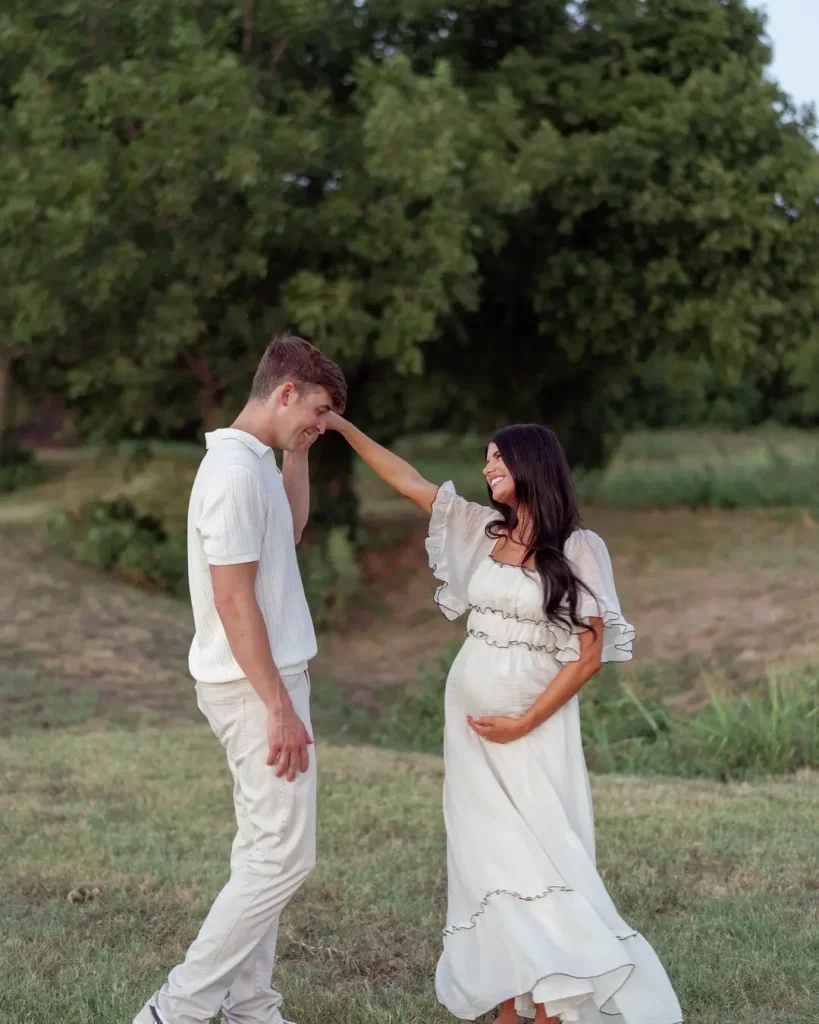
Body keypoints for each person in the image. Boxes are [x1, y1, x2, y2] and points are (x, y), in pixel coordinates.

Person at [326, 415, 683, 1024]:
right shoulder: (480, 529)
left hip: (532, 730)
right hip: (468, 734)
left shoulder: (577, 548)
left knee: (537, 858)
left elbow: (589, 656)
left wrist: (524, 722)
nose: (488, 468)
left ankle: (551, 1003)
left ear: (531, 466)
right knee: (484, 859)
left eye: (498, 458)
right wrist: (339, 426)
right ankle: (509, 1007)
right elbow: (408, 481)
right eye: (486, 457)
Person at [134, 336, 346, 1024]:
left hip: (268, 681)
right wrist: (279, 708)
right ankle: (180, 1009)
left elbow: (289, 531)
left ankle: (251, 1005)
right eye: (315, 411)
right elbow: (233, 600)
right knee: (283, 860)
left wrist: (298, 453)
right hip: (256, 688)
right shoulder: (227, 472)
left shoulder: (254, 461)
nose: (321, 423)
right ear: (283, 392)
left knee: (264, 851)